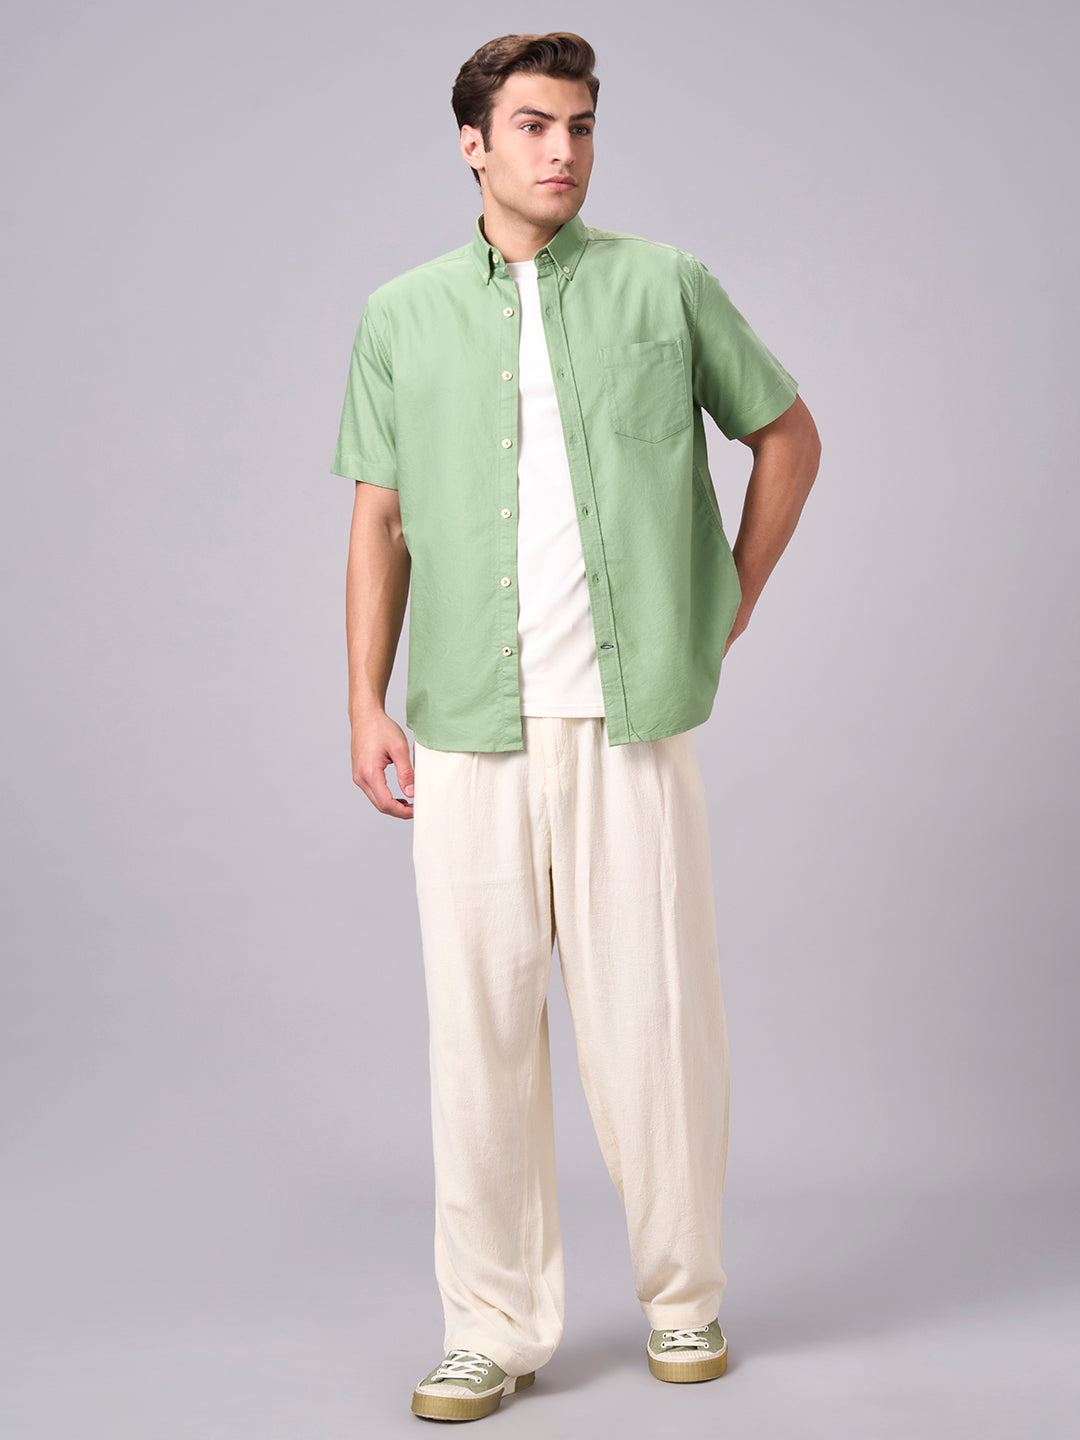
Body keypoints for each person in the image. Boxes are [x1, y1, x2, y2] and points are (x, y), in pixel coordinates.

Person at [330, 31, 821, 1424]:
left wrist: (725, 600)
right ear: (473, 144)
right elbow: (379, 517)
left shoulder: (668, 287)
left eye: (583, 126)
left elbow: (788, 436)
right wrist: (363, 698)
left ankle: (684, 1298)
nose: (563, 150)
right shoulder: (401, 316)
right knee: (478, 1038)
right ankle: (491, 1327)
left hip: (629, 722)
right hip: (466, 728)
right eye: (535, 125)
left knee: (657, 1025)